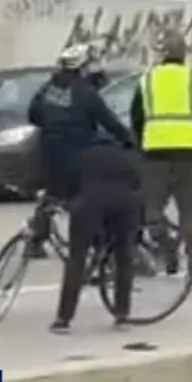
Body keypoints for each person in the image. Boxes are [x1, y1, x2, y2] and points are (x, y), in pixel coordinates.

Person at [26, 45, 134, 259]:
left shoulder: (49, 89)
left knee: (51, 196)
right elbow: (111, 123)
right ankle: (97, 251)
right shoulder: (86, 94)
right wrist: (130, 142)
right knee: (94, 199)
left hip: (50, 156)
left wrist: (53, 125)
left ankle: (36, 239)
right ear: (83, 68)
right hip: (80, 158)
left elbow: (33, 114)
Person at [128, 31, 192, 279]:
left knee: (152, 212)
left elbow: (136, 118)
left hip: (155, 156)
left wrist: (143, 141)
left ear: (161, 55)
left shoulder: (147, 81)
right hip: (191, 155)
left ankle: (167, 247)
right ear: (183, 54)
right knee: (191, 212)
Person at [51, 135, 143, 334]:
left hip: (89, 204)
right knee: (124, 257)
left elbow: (69, 184)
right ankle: (122, 315)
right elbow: (138, 182)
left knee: (77, 258)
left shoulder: (82, 156)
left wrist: (67, 200)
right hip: (124, 205)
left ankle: (63, 319)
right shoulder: (130, 156)